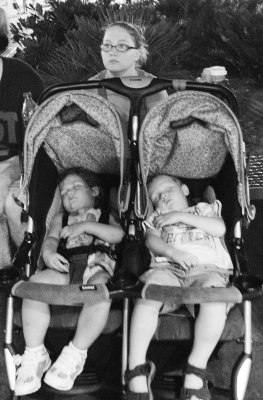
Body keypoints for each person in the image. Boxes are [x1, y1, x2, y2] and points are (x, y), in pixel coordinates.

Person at [15, 167, 124, 396]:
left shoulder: (106, 214)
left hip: (96, 266)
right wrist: (48, 254)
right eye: (64, 193)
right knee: (34, 284)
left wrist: (84, 226)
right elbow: (52, 239)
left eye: (75, 188)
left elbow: (117, 236)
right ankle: (35, 353)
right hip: (65, 267)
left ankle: (76, 352)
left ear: (94, 191)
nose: (69, 195)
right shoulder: (60, 218)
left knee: (100, 288)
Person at [125, 174, 233, 400]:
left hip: (207, 271)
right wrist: (172, 252)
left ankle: (195, 370)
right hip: (168, 271)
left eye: (167, 189)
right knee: (147, 294)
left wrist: (180, 215)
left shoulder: (203, 208)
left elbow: (219, 228)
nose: (162, 196)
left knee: (215, 298)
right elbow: (151, 241)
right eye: (156, 197)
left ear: (184, 189)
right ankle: (136, 368)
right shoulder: (156, 217)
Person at [0, 7, 43, 247]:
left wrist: (9, 175)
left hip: (19, 162)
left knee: (9, 201)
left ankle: (20, 270)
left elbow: (40, 139)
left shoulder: (23, 79)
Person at [90, 21, 168, 129]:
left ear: (137, 54)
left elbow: (162, 131)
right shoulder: (90, 89)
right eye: (107, 45)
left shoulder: (153, 86)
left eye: (122, 46)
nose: (112, 52)